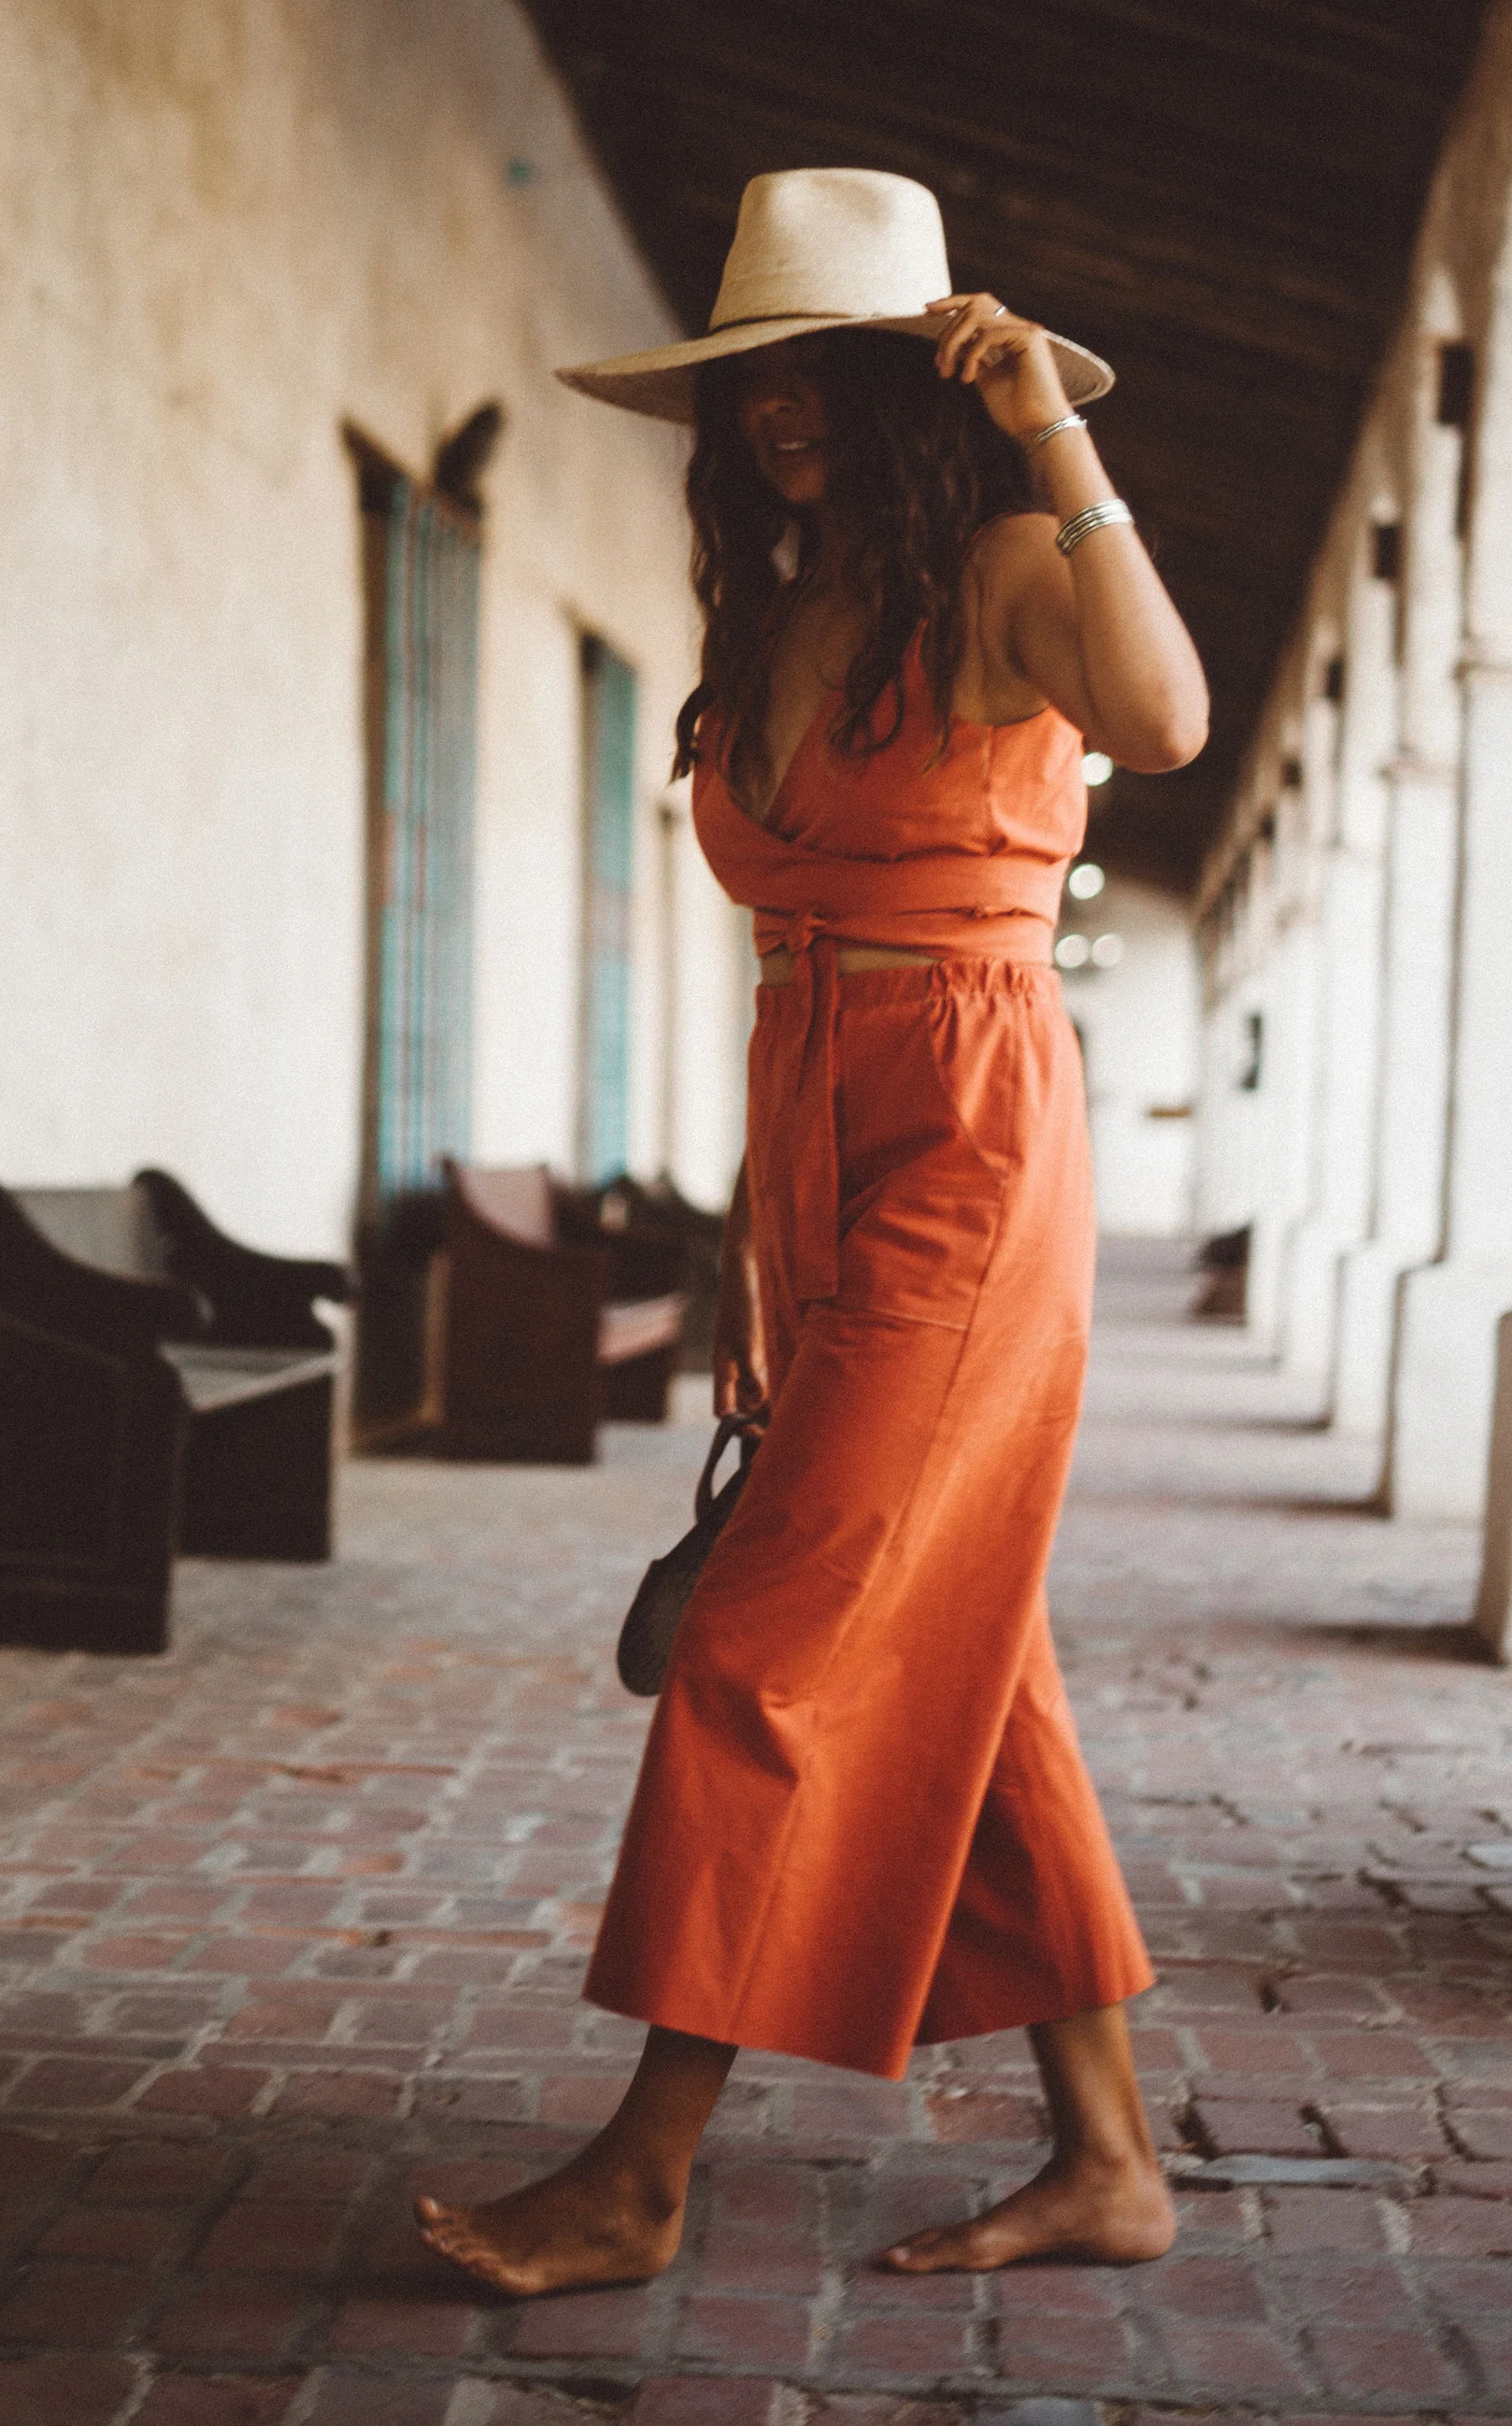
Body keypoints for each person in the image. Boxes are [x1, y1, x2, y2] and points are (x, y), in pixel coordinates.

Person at [416, 166, 1208, 2299]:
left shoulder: (1014, 561)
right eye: (758, 371)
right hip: (818, 1138)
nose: (783, 407)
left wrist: (1062, 428)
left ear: (914, 376)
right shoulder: (778, 606)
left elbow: (1167, 720)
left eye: (827, 366)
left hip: (964, 1126)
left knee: (774, 1647)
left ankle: (639, 2170)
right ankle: (1110, 2161)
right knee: (965, 1647)